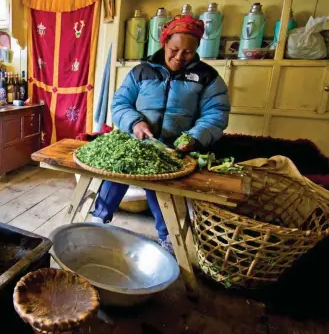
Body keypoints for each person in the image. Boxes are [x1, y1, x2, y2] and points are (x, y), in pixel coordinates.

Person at [91, 15, 231, 254]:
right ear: (165, 42)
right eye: (174, 49)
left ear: (196, 49)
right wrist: (135, 123)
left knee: (161, 187)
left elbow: (216, 113)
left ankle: (168, 237)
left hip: (176, 150)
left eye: (187, 52)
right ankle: (98, 221)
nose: (178, 57)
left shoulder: (207, 77)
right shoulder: (141, 71)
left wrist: (193, 137)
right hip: (138, 141)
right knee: (118, 171)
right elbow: (120, 103)